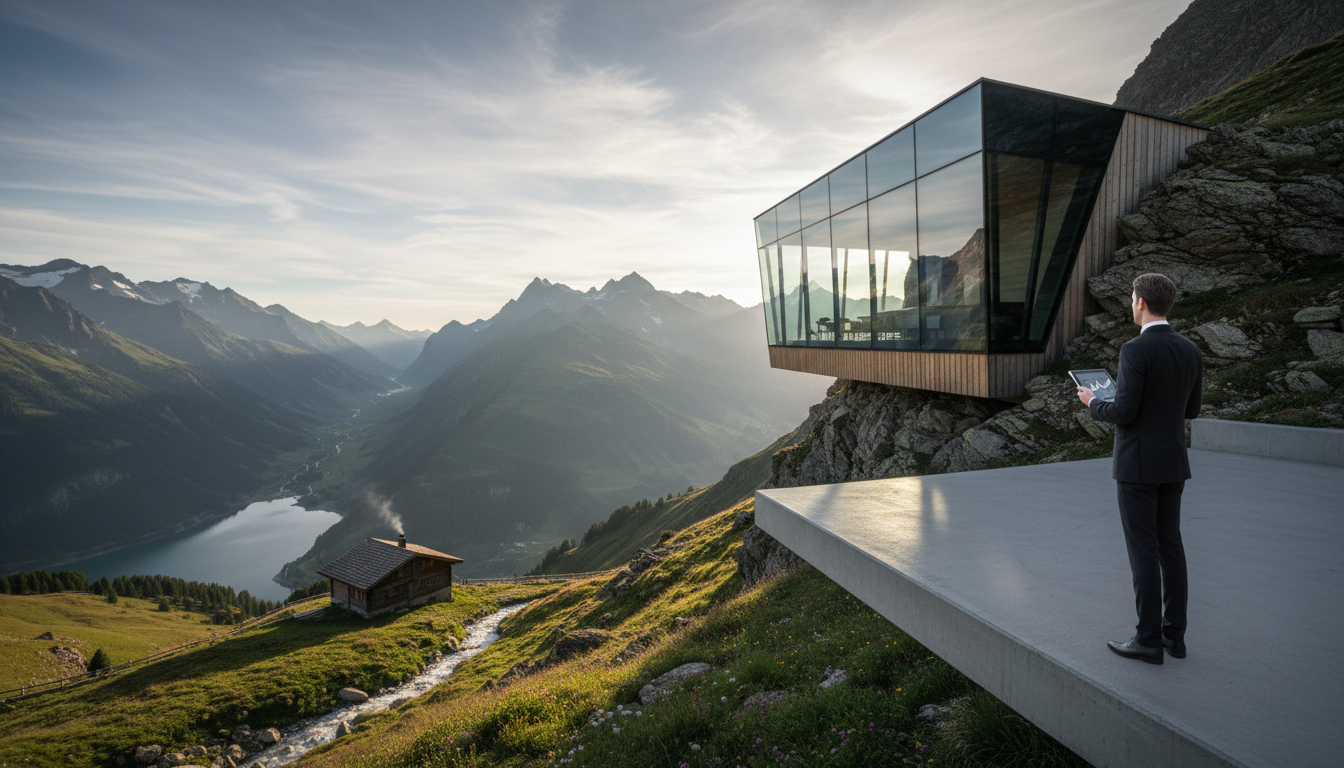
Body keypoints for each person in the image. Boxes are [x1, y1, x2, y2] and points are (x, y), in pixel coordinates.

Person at [1077, 273, 1203, 665]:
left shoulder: (1135, 350)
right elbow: (1191, 410)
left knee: (1143, 553)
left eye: (1132, 298)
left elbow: (1123, 412)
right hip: (1173, 464)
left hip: (1137, 468)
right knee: (1171, 549)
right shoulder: (1190, 349)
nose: (1132, 303)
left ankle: (1147, 640)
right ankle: (1174, 638)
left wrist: (1092, 402)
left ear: (1141, 303)